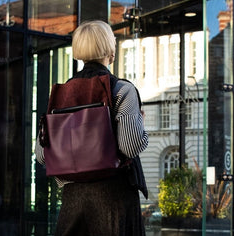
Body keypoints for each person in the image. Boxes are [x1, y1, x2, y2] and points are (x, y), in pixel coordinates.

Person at [34, 20, 149, 236]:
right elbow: (130, 146)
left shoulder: (59, 95)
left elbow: (41, 155)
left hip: (73, 199)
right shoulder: (122, 90)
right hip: (113, 199)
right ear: (110, 49)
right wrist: (141, 123)